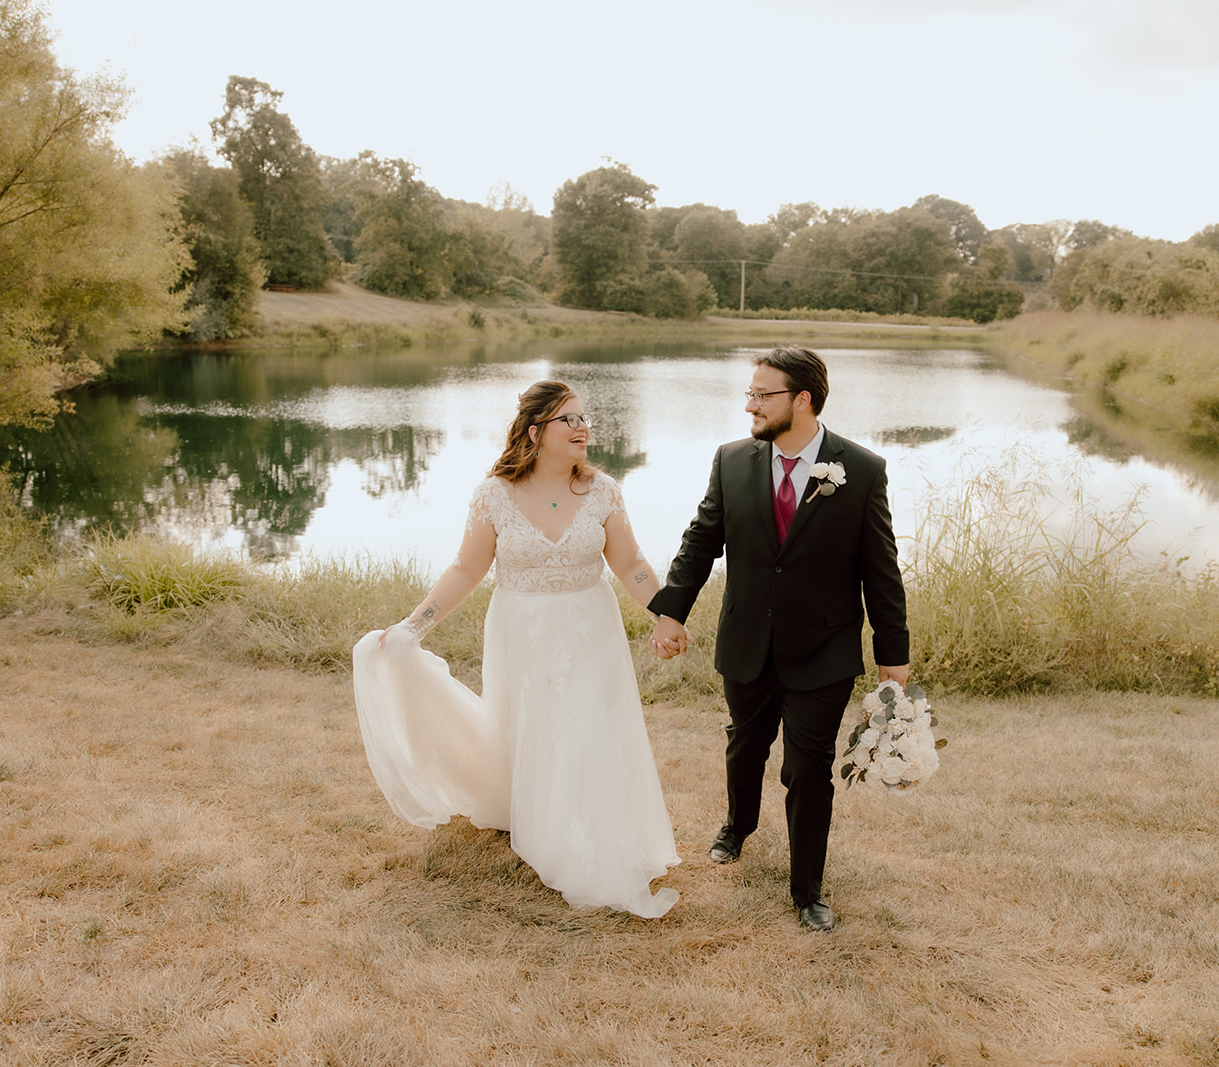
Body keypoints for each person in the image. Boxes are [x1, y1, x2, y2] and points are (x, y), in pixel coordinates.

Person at [351, 380, 680, 918]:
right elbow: (466, 568)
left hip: (588, 632)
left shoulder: (602, 491)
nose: (582, 428)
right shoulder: (494, 495)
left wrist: (665, 614)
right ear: (535, 432)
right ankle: (536, 819)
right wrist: (414, 625)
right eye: (567, 420)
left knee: (583, 729)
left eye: (583, 418)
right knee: (531, 728)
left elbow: (631, 564)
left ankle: (582, 844)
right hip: (521, 631)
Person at [649, 345, 909, 932]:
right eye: (749, 394)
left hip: (824, 647)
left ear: (802, 400)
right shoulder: (731, 460)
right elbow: (700, 543)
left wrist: (893, 657)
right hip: (747, 639)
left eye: (761, 395)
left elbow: (881, 569)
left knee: (808, 766)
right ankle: (738, 825)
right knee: (746, 742)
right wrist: (671, 612)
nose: (749, 406)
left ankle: (807, 888)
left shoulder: (862, 470)